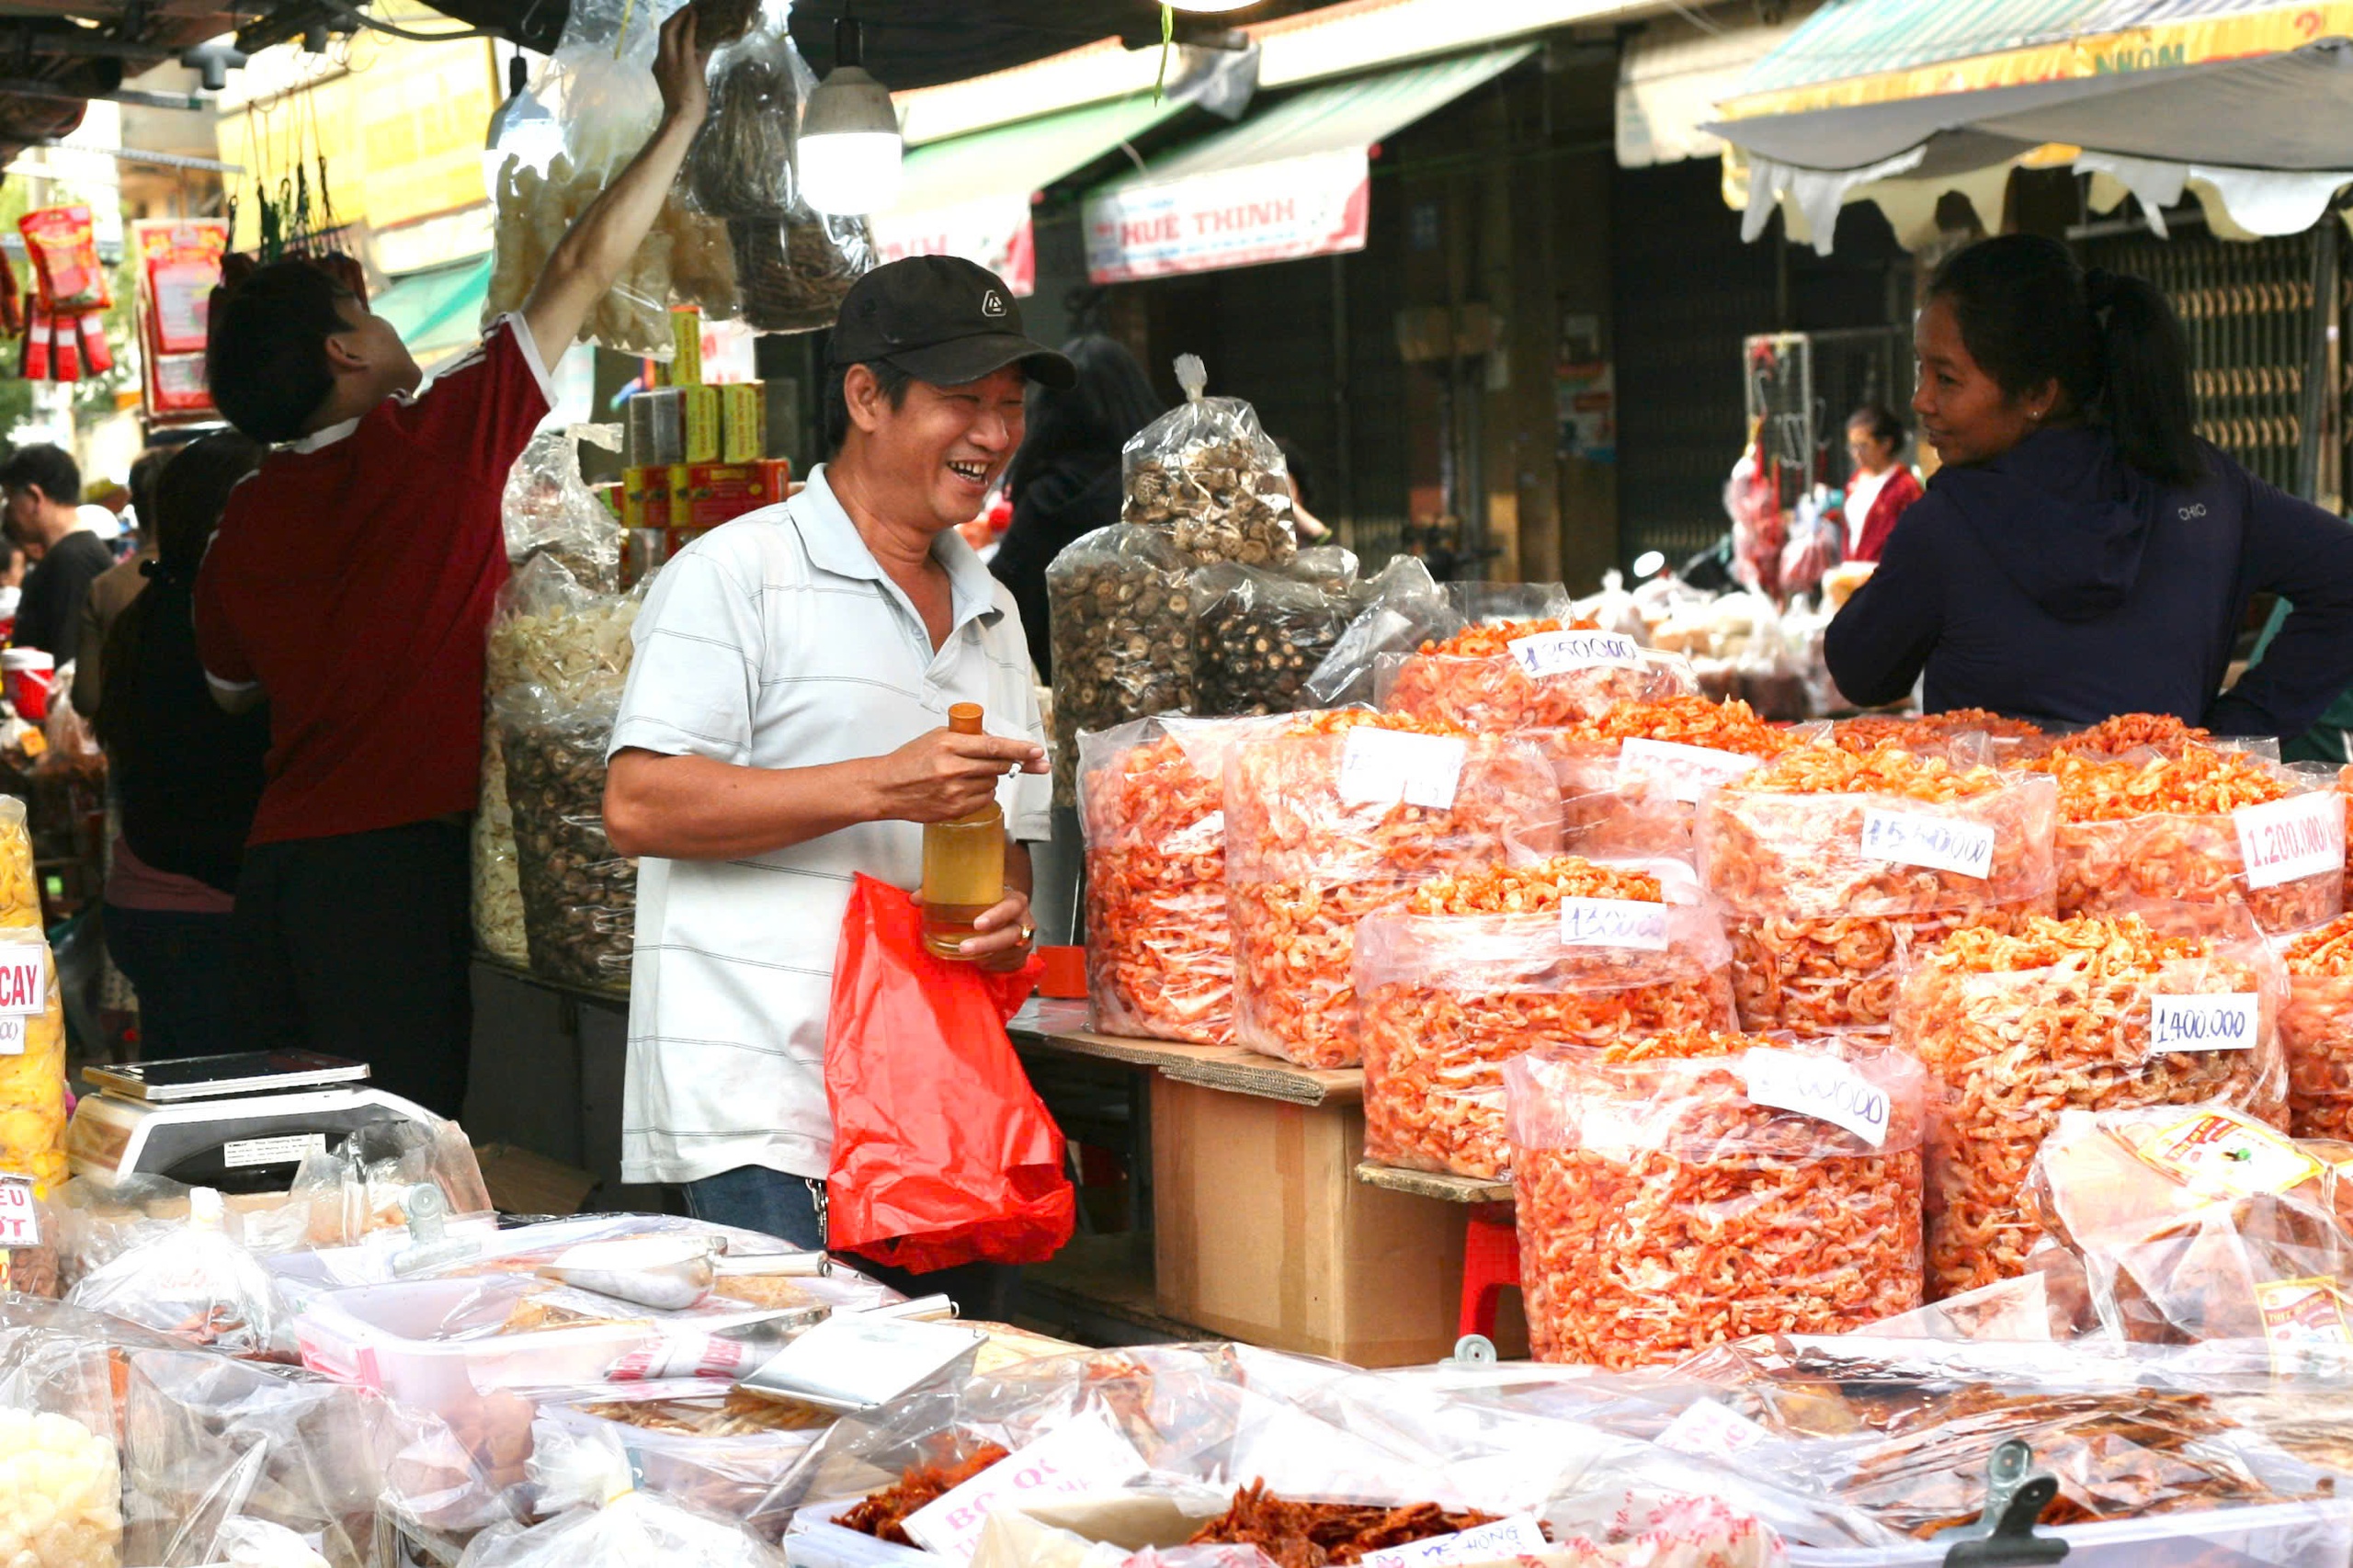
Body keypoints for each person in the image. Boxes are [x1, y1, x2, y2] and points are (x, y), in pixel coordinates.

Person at [193, 6, 711, 1118]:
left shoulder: (241, 521)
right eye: (369, 315)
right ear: (345, 352)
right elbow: (577, 266)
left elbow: (228, 687)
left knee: (295, 1163)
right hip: (390, 880)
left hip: (278, 874)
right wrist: (681, 118)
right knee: (405, 1154)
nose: (389, 333)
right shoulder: (429, 444)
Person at [602, 255, 1067, 1300]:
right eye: (962, 401)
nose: (993, 435)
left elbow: (1011, 866)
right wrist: (879, 785)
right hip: (771, 1106)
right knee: (816, 1427)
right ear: (865, 396)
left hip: (934, 1105)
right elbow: (637, 803)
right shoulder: (734, 575)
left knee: (942, 1430)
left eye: (1009, 404)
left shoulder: (993, 612)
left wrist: (1008, 916)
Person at [1824, 234, 2353, 735]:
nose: (1921, 400)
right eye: (1922, 370)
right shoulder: (2202, 481)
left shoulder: (1947, 523)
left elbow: (1862, 673)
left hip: (2005, 828)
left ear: (2037, 393)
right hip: (2173, 823)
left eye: (1946, 378)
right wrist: (2235, 735)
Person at [92, 435, 270, 1059]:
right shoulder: (204, 617)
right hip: (197, 911)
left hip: (151, 902)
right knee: (222, 1122)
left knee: (185, 1109)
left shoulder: (155, 607)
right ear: (228, 517)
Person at [985, 334, 1160, 678]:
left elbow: (1005, 597)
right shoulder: (1165, 486)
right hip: (1170, 679)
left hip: (1078, 687)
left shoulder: (1049, 497)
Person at [74, 446, 175, 716]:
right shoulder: (221, 573)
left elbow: (86, 698)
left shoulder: (106, 588)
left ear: (137, 508)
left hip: (137, 749)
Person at [1, 445, 113, 658]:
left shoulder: (72, 560)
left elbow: (68, 661)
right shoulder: (71, 554)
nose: (8, 511)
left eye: (10, 498)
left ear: (35, 497)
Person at [1838, 404, 1921, 565]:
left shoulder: (1905, 487)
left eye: (1863, 446)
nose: (1856, 454)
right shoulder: (1855, 482)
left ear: (1886, 444)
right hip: (1856, 575)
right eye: (1852, 446)